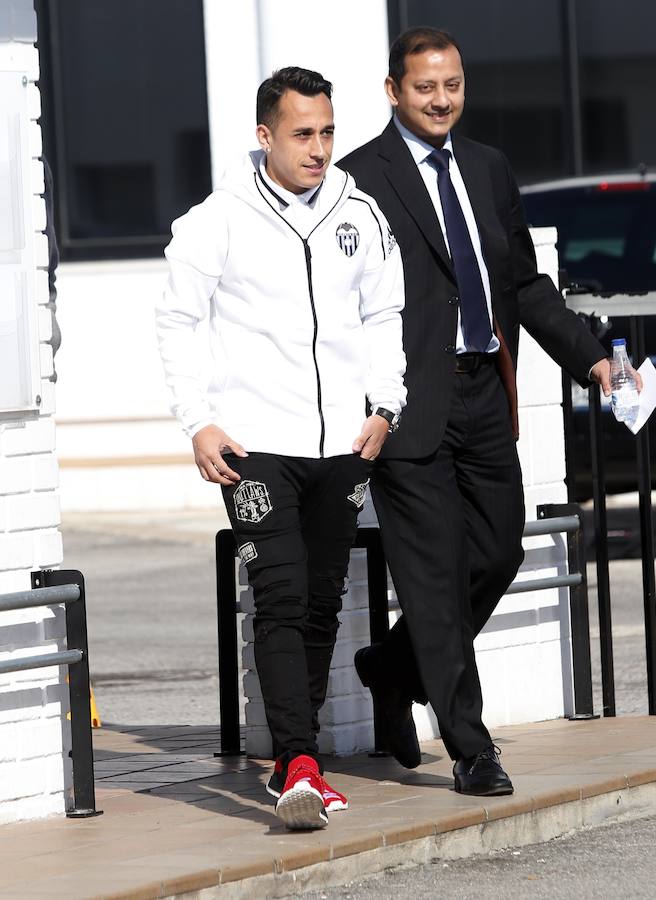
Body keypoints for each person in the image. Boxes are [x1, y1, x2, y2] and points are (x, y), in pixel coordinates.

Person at [339, 27, 622, 796]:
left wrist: (589, 354)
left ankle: (391, 668)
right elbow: (343, 302)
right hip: (407, 405)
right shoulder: (358, 178)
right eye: (425, 87)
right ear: (393, 89)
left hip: (482, 393)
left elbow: (523, 284)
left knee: (496, 553)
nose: (441, 100)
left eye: (452, 85)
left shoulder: (488, 169)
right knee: (430, 577)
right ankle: (471, 747)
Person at [156, 67, 406, 830]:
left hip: (343, 444)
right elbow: (176, 321)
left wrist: (386, 406)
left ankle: (293, 758)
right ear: (264, 135)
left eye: (327, 131)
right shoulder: (216, 220)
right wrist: (197, 420)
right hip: (253, 444)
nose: (318, 148)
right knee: (282, 595)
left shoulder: (357, 210)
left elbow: (384, 314)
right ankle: (300, 760)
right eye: (302, 134)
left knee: (325, 600)